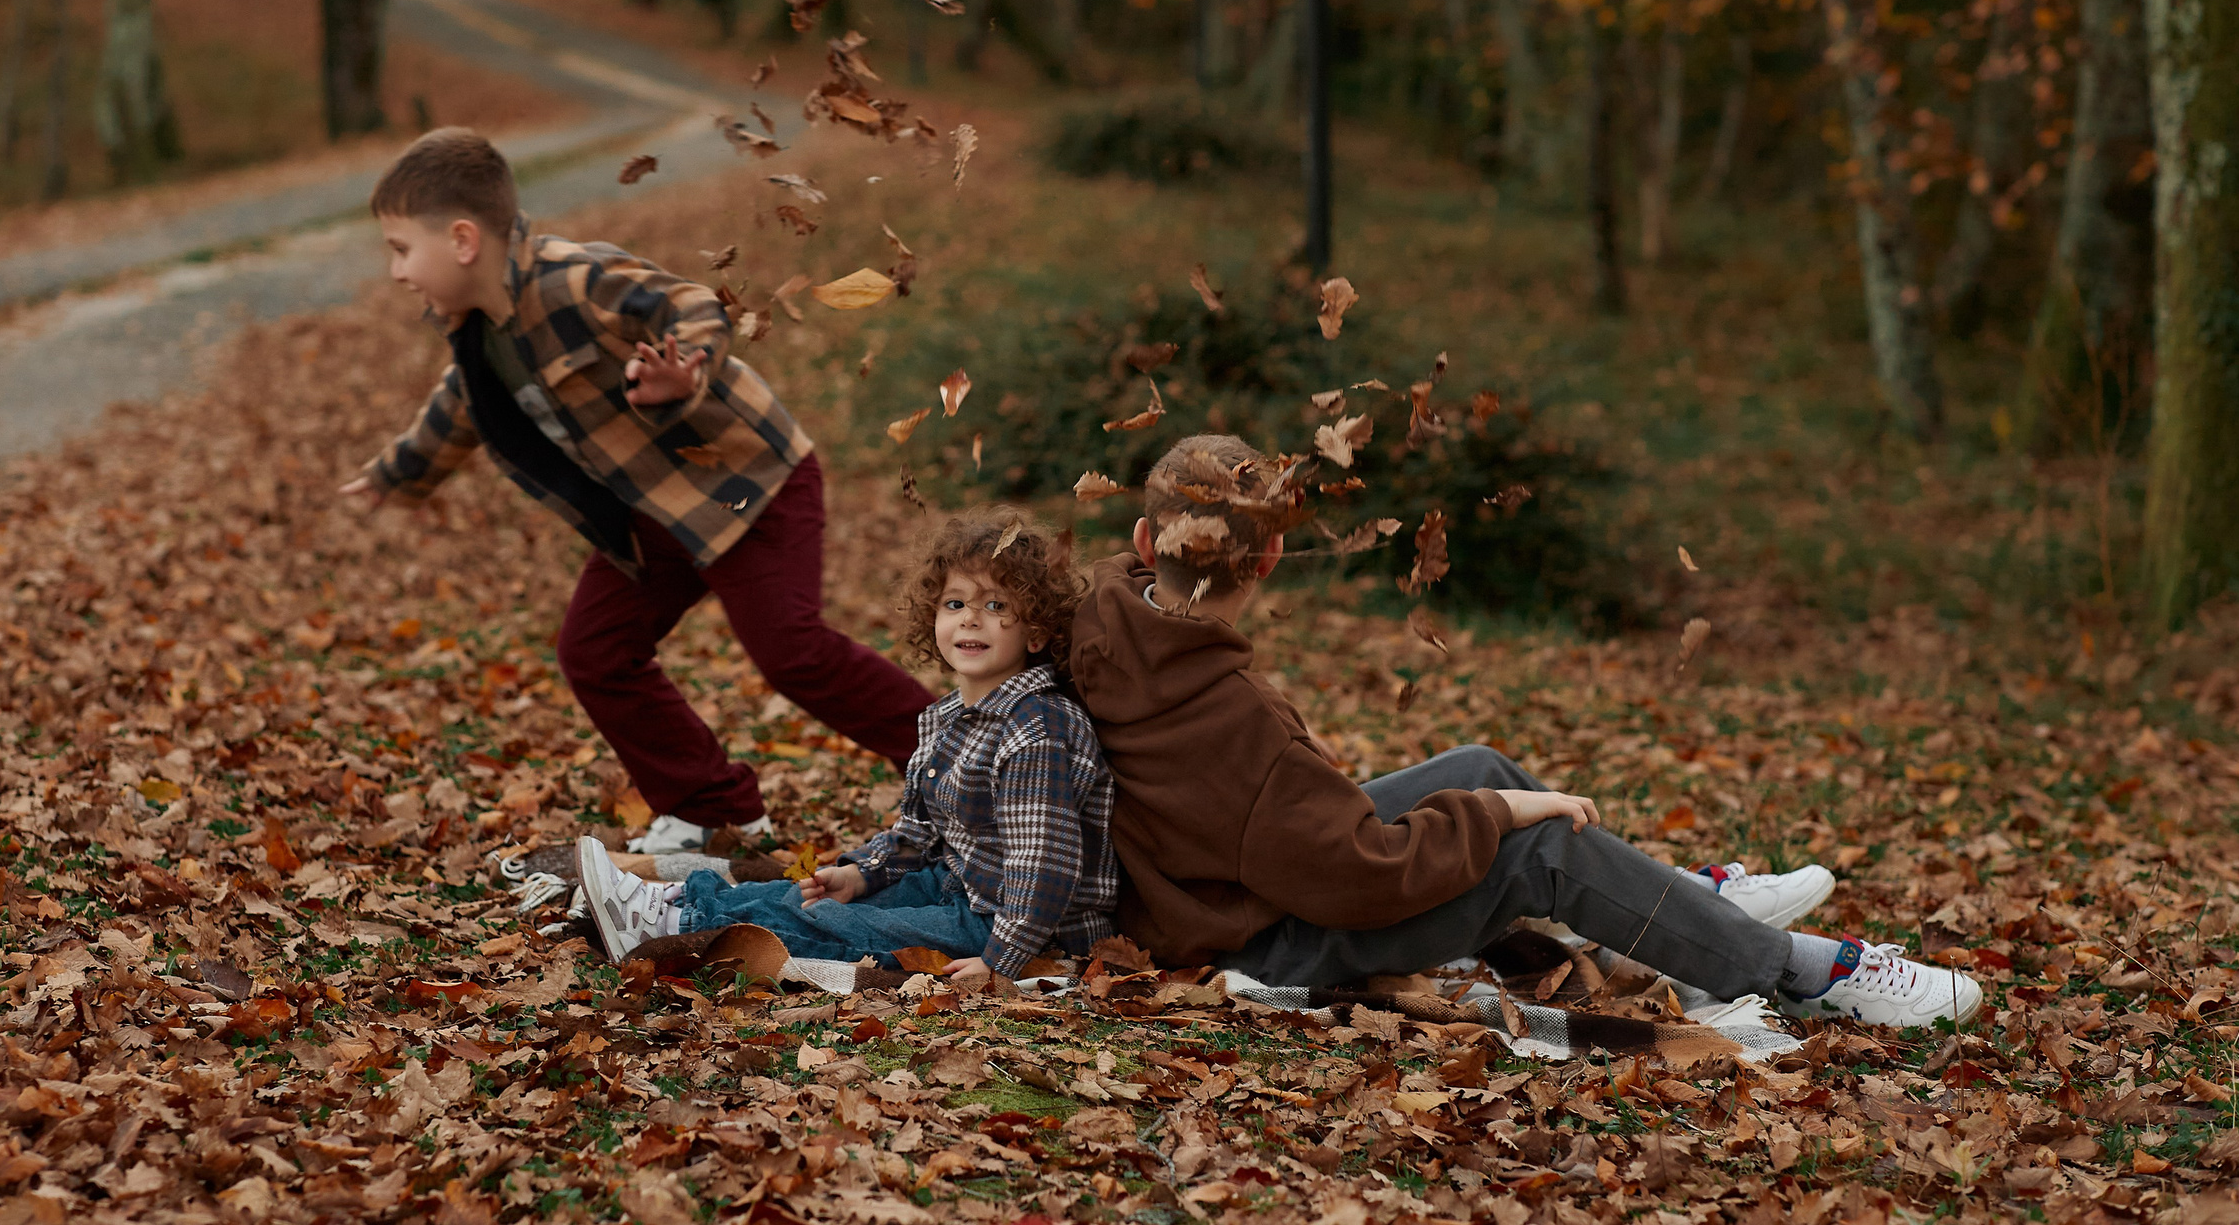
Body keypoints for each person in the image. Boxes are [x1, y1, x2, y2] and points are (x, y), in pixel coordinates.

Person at [1063, 433, 1983, 1030]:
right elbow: (1356, 874)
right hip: (1253, 935)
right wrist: (1493, 814)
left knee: (1475, 763)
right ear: (1267, 557)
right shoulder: (1238, 717)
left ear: (1146, 543)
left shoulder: (1103, 620)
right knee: (1537, 839)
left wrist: (1481, 791)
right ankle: (1799, 972)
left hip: (1209, 881)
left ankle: (1670, 915)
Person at [342, 128, 934, 855]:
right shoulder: (476, 332)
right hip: (657, 512)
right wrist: (395, 474)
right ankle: (714, 808)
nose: (397, 271)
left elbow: (687, 303)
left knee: (793, 652)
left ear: (463, 240)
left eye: (402, 249)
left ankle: (964, 766)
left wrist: (686, 368)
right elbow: (461, 408)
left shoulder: (571, 278)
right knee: (595, 650)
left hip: (747, 484)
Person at [575, 511, 1119, 988]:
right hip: (958, 887)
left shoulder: (1038, 729)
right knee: (815, 898)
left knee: (838, 926)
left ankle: (679, 931)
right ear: (934, 617)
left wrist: (1002, 960)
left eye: (996, 605)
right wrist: (861, 872)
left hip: (1021, 926)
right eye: (956, 603)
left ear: (1037, 632)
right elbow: (918, 833)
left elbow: (1044, 866)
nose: (971, 619)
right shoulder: (947, 717)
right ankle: (676, 906)